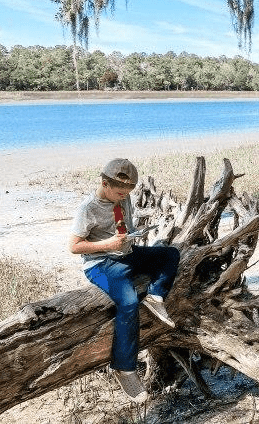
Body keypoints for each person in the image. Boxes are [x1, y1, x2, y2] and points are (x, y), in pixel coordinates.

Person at [70, 158, 181, 403]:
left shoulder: (123, 197)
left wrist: (131, 237)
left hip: (126, 254)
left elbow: (123, 227)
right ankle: (124, 367)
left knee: (170, 255)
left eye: (128, 192)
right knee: (129, 302)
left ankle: (155, 296)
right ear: (104, 183)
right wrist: (107, 245)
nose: (124, 196)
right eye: (119, 192)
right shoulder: (87, 208)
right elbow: (74, 246)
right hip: (100, 264)